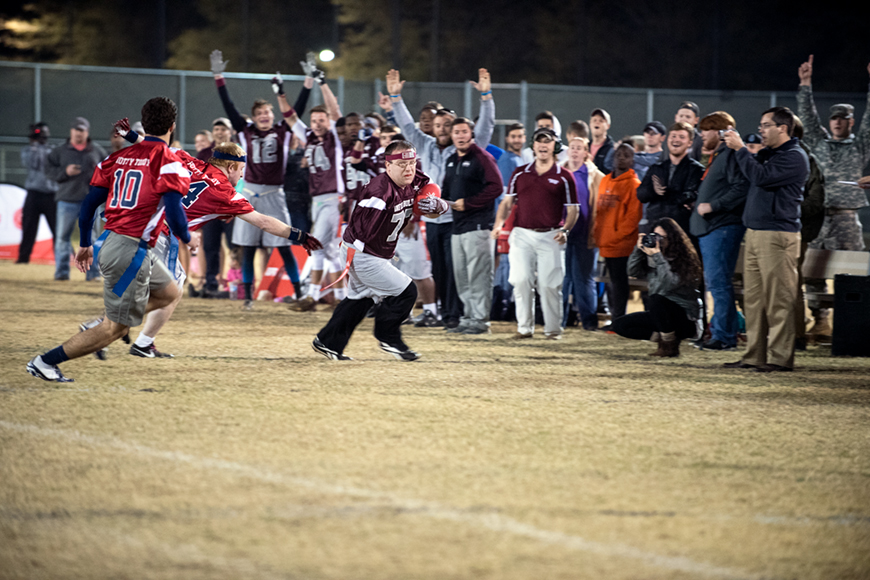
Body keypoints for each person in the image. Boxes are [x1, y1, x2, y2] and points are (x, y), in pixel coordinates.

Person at [110, 128, 323, 357]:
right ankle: (119, 334)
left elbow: (154, 147)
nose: (242, 175)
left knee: (161, 287)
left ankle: (134, 337)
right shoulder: (225, 193)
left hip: (143, 225)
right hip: (163, 235)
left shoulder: (190, 161)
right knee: (170, 291)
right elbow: (263, 222)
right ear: (231, 166)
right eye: (241, 169)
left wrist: (129, 134)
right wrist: (300, 236)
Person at [26, 97, 193, 383]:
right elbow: (175, 212)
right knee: (113, 331)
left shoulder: (117, 158)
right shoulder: (169, 161)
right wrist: (188, 238)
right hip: (130, 251)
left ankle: (112, 317)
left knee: (170, 291)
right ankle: (44, 362)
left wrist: (85, 244)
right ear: (172, 126)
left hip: (119, 242)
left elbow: (90, 204)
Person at [312, 141, 450, 361]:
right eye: (403, 164)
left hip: (372, 252)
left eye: (412, 163)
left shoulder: (415, 179)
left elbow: (430, 187)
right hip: (362, 252)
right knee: (406, 291)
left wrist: (438, 204)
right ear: (388, 166)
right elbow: (364, 230)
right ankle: (388, 337)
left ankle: (328, 341)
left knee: (360, 299)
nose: (409, 169)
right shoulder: (379, 193)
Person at [383, 67, 495, 329]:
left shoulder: (466, 148)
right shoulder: (424, 145)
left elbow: (487, 126)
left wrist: (486, 97)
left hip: (458, 217)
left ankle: (458, 316)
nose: (443, 129)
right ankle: (446, 315)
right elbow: (408, 128)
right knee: (442, 271)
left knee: (459, 272)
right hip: (433, 220)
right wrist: (396, 99)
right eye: (438, 125)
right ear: (432, 128)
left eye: (448, 125)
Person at [211, 50, 313, 309]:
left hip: (274, 194)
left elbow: (296, 110)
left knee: (283, 245)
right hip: (251, 193)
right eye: (260, 114)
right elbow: (229, 106)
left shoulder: (282, 130)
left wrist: (308, 80)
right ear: (253, 117)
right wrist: (219, 77)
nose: (265, 117)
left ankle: (300, 293)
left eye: (268, 112)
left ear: (272, 114)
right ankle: (247, 297)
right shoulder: (245, 130)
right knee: (247, 246)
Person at [722, 107, 809, 373]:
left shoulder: (795, 156)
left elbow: (760, 177)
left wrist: (740, 150)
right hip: (756, 233)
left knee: (778, 300)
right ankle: (753, 356)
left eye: (766, 125)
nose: (761, 130)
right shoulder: (771, 154)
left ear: (783, 128)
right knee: (754, 301)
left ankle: (780, 359)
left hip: (777, 235)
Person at [796, 55, 870, 338]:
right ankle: (821, 320)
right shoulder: (818, 142)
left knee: (853, 273)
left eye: (843, 118)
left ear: (851, 121)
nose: (837, 122)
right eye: (834, 117)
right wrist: (805, 83)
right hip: (817, 217)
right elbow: (808, 117)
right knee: (812, 269)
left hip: (846, 218)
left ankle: (853, 323)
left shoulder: (861, 145)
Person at [492, 128, 579, 340]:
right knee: (521, 280)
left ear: (555, 146)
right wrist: (498, 224)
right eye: (539, 141)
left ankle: (552, 331)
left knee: (550, 285)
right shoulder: (520, 173)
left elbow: (573, 208)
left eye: (547, 142)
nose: (543, 145)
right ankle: (524, 329)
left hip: (551, 235)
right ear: (533, 145)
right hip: (522, 234)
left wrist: (566, 230)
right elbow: (507, 202)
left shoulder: (564, 176)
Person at [690, 111, 750, 352]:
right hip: (712, 229)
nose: (702, 135)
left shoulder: (732, 155)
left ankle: (725, 337)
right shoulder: (720, 156)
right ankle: (720, 332)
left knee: (719, 284)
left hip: (722, 228)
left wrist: (713, 205)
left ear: (721, 132)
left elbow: (741, 187)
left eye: (706, 130)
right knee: (716, 283)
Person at [442, 117, 503, 335]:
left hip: (478, 225)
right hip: (457, 227)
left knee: (478, 275)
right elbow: (445, 190)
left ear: (471, 134)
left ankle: (480, 320)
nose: (460, 136)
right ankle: (468, 317)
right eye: (456, 132)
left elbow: (496, 187)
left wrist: (468, 203)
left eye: (464, 131)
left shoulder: (483, 158)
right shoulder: (451, 160)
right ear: (451, 136)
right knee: (462, 276)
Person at [611, 218, 703, 357]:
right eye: (654, 236)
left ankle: (669, 345)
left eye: (661, 237)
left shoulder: (685, 260)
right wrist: (638, 249)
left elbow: (668, 284)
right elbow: (632, 272)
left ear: (672, 239)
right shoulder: (654, 257)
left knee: (656, 299)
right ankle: (665, 337)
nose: (657, 240)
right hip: (661, 316)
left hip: (685, 320)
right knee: (620, 325)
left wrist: (658, 256)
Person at [45, 116, 107, 281]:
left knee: (91, 238)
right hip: (67, 200)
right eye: (76, 130)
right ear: (71, 131)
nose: (79, 134)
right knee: (62, 238)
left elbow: (108, 174)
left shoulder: (97, 151)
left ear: (87, 132)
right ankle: (62, 273)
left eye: (82, 130)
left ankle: (93, 274)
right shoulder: (60, 151)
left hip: (90, 202)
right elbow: (48, 171)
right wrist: (65, 172)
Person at [592, 143, 643, 322]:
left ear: (632, 160)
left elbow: (632, 218)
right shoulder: (605, 180)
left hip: (621, 244)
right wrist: (598, 234)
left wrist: (615, 236)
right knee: (612, 283)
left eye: (626, 155)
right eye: (619, 154)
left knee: (619, 283)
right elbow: (599, 211)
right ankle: (616, 319)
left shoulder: (634, 184)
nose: (621, 157)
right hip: (605, 242)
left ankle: (619, 320)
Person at [561, 135, 604, 330]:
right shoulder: (560, 171)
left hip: (584, 234)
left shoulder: (595, 175)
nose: (575, 150)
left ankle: (589, 321)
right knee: (561, 278)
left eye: (579, 148)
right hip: (560, 233)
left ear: (586, 152)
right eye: (572, 147)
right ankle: (558, 320)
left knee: (583, 279)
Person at [791, 117, 826, 351]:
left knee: (791, 286)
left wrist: (788, 209)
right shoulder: (771, 157)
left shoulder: (807, 161)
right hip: (773, 229)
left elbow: (816, 201)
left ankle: (796, 336)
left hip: (796, 233)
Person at [636, 122, 703, 236]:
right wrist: (654, 190)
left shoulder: (696, 169)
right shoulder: (657, 168)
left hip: (681, 230)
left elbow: (690, 195)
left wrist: (665, 193)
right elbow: (641, 194)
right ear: (667, 140)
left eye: (682, 137)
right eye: (673, 136)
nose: (676, 140)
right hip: (655, 227)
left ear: (690, 143)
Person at [17, 122, 57, 264]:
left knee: (57, 228)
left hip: (51, 194)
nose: (41, 136)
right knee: (28, 227)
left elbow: (51, 164)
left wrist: (41, 146)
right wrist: (34, 145)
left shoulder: (52, 150)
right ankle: (23, 258)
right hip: (33, 194)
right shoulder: (28, 150)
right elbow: (30, 163)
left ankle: (63, 258)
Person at [589, 108, 614, 173]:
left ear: (608, 126)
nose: (597, 122)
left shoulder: (612, 149)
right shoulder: (584, 147)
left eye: (601, 121)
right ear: (590, 124)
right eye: (594, 120)